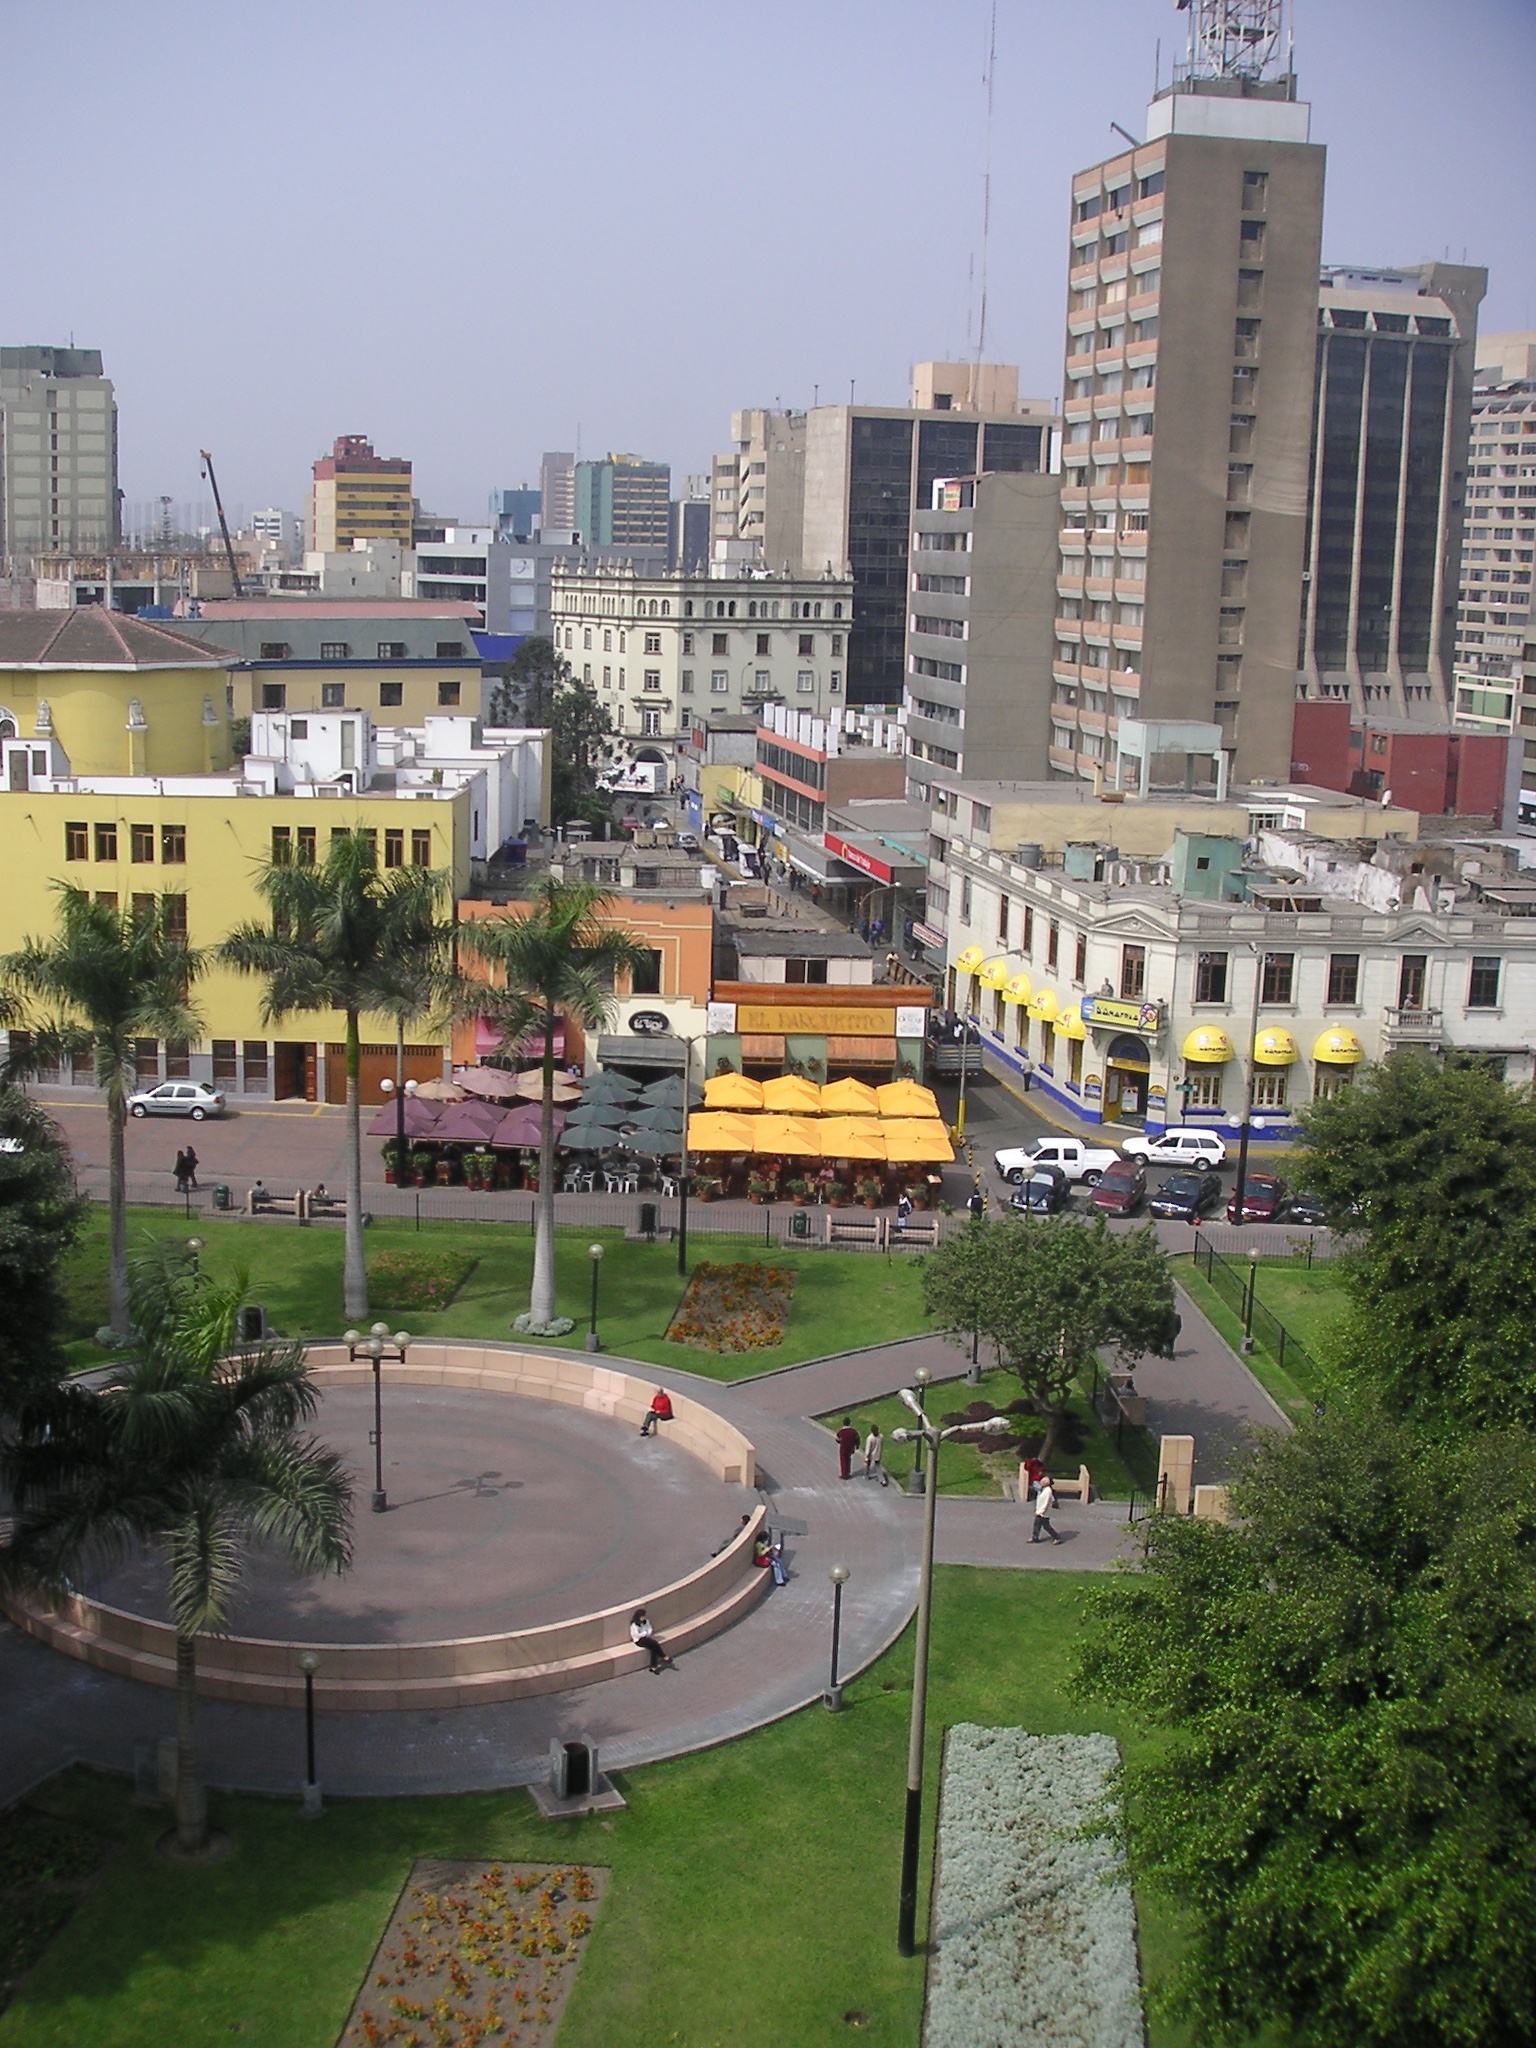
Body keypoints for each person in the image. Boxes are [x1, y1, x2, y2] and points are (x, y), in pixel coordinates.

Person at [630, 1607, 673, 1673]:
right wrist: (645, 1633)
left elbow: (650, 1629)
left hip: (647, 1638)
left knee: (653, 1648)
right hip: (639, 1640)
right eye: (642, 1616)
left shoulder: (646, 1621)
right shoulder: (634, 1625)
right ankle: (663, 1656)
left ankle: (654, 1666)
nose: (644, 1618)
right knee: (654, 1644)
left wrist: (647, 1633)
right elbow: (636, 1635)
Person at [1032, 1474, 1063, 1546]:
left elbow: (1045, 1503)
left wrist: (1039, 1512)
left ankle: (1056, 1537)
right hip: (1040, 1511)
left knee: (1046, 1526)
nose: (1041, 1481)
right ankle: (1035, 1537)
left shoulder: (1048, 1491)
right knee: (1037, 1524)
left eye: (1043, 1481)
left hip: (1044, 1512)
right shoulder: (1042, 1489)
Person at [835, 1416, 860, 1480]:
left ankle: (844, 1474)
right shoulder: (853, 1431)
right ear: (849, 1423)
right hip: (850, 1448)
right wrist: (857, 1445)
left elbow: (837, 1439)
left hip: (843, 1448)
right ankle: (848, 1473)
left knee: (843, 1461)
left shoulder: (841, 1432)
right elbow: (857, 1439)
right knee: (848, 1460)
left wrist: (840, 1442)